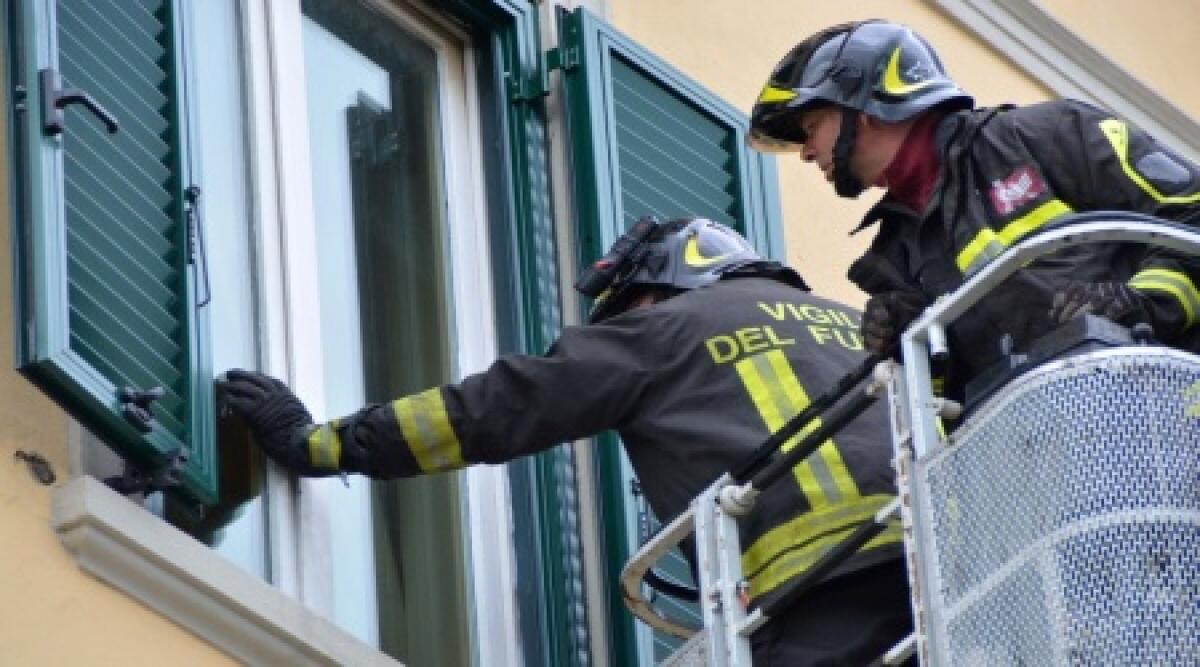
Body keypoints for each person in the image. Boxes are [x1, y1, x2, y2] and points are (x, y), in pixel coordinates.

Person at [220, 217, 913, 666]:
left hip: (817, 597)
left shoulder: (661, 330)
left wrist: (323, 444)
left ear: (658, 286)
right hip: (931, 567)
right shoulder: (851, 322)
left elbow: (490, 409)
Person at [748, 20, 1200, 391]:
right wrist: (915, 356)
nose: (807, 152)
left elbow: (1191, 209)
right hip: (1066, 462)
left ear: (863, 105)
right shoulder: (892, 261)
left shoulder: (1046, 135)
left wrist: (1147, 301)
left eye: (811, 127)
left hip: (1173, 398)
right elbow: (947, 413)